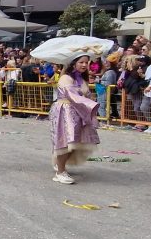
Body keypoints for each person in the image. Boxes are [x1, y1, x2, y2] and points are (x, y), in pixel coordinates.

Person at [31, 35, 113, 185]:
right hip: (66, 112)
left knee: (76, 143)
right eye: (81, 62)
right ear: (73, 63)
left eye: (86, 62)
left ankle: (59, 164)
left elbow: (85, 95)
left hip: (78, 112)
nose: (84, 65)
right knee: (66, 143)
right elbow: (74, 97)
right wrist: (92, 106)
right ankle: (60, 172)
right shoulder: (66, 78)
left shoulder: (81, 78)